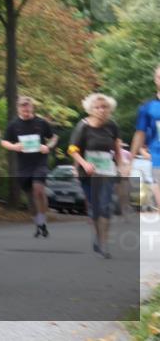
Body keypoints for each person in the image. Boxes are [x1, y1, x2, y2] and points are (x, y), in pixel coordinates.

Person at [68, 93, 122, 258]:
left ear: (109, 109)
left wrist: (121, 167)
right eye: (97, 107)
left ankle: (103, 244)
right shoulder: (83, 126)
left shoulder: (112, 126)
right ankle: (98, 237)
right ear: (90, 109)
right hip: (88, 173)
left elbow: (117, 148)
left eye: (104, 107)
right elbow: (72, 149)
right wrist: (84, 163)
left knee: (105, 206)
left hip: (107, 171)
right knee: (94, 208)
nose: (101, 110)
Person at [1, 96, 57, 237]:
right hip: (24, 165)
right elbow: (4, 142)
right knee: (30, 198)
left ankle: (43, 221)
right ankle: (38, 223)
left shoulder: (41, 122)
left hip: (40, 162)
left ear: (32, 108)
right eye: (22, 108)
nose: (26, 110)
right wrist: (14, 146)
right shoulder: (14, 125)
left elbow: (54, 137)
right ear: (18, 108)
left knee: (38, 190)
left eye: (28, 108)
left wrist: (48, 146)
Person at [128, 65, 160, 213]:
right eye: (159, 77)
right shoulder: (147, 107)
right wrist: (131, 160)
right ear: (155, 80)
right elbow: (140, 134)